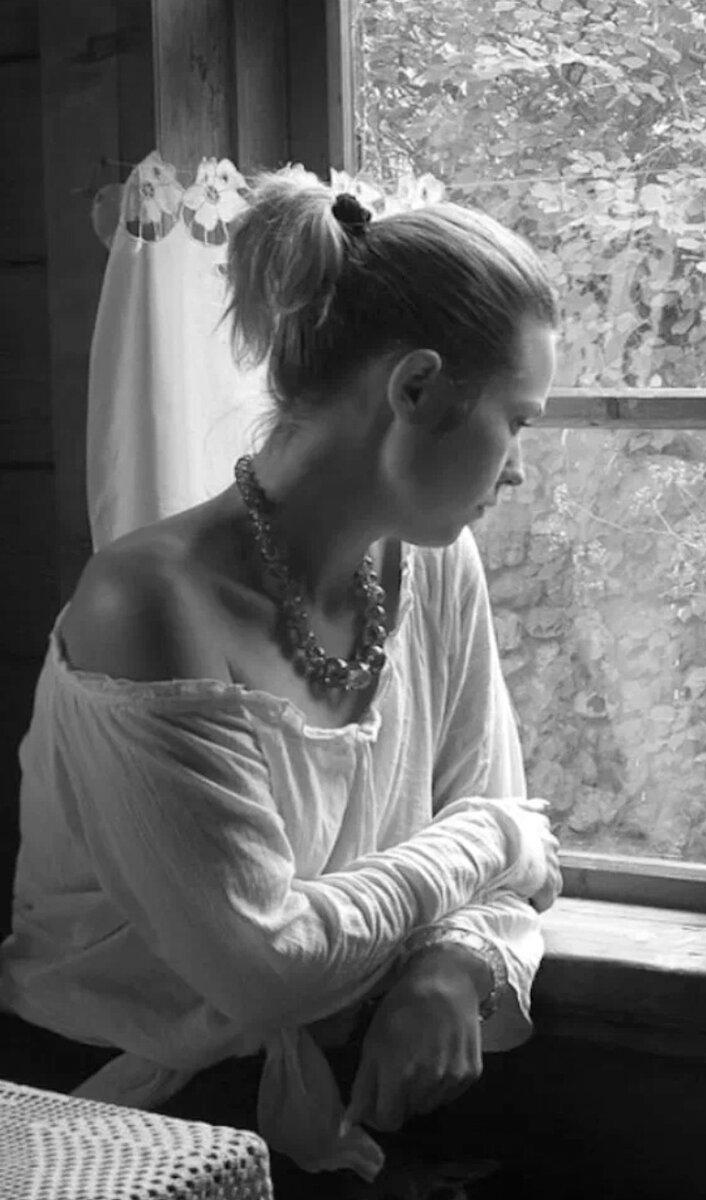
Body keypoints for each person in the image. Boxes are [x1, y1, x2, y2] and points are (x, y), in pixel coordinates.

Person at [0, 168, 563, 1195]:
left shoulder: (435, 564)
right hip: (116, 1134)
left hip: (352, 1103)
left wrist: (456, 960)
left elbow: (495, 828)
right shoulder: (146, 604)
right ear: (415, 389)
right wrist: (490, 838)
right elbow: (267, 968)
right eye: (516, 421)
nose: (519, 467)